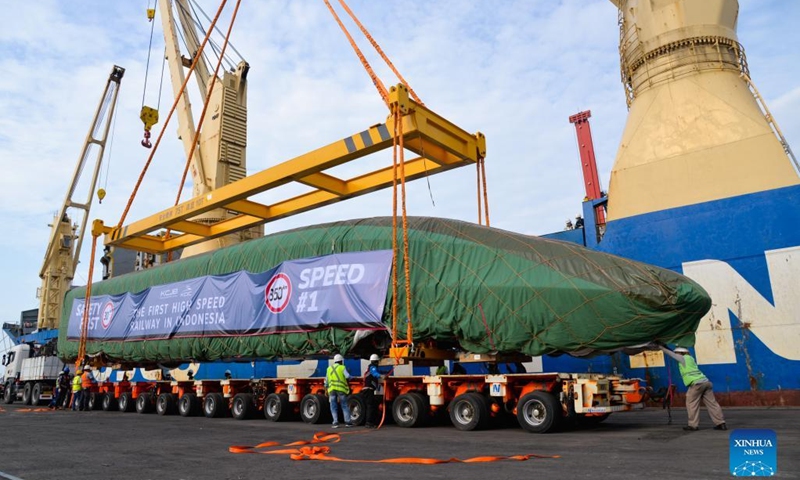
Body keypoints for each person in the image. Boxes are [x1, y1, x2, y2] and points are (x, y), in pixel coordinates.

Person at [660, 345, 727, 431]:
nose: (676, 354)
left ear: (681, 353)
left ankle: (693, 425)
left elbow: (671, 355)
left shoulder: (683, 358)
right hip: (706, 382)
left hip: (696, 384)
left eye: (677, 353)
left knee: (691, 403)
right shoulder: (690, 358)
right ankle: (721, 423)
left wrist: (661, 347)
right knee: (712, 404)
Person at [325, 354, 352, 428]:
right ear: (341, 361)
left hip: (332, 390)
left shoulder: (329, 368)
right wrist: (352, 377)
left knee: (333, 406)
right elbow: (348, 377)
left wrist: (326, 389)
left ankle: (335, 422)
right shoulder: (342, 368)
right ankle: (348, 422)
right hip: (341, 390)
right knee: (344, 405)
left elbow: (326, 381)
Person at [362, 354, 382, 428]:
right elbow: (375, 373)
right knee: (370, 406)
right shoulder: (372, 367)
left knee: (372, 405)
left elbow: (379, 371)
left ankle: (371, 422)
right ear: (376, 361)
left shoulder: (371, 367)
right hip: (368, 389)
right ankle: (369, 423)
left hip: (368, 389)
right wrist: (381, 376)